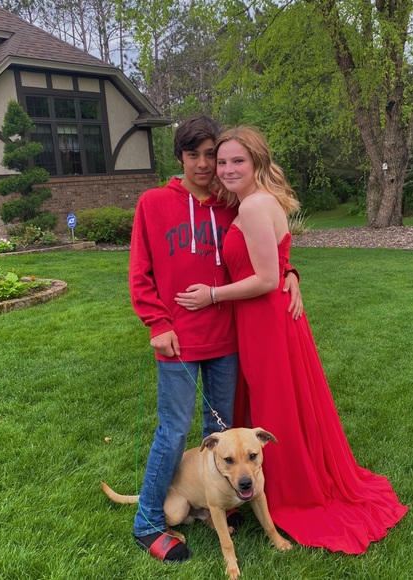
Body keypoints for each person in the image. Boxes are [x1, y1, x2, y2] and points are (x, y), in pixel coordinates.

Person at [175, 126, 408, 553]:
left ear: (258, 162)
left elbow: (266, 278)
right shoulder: (250, 202)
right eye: (222, 161)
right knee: (279, 402)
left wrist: (212, 295)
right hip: (261, 318)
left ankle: (290, 493)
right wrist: (291, 274)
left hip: (266, 320)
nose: (226, 169)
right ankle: (269, 486)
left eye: (237, 161)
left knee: (277, 406)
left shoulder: (256, 205)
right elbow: (278, 263)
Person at [128, 116, 302, 563]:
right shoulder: (152, 203)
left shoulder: (232, 204)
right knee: (172, 432)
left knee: (219, 433)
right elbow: (140, 272)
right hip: (177, 341)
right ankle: (148, 522)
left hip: (228, 339)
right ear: (180, 157)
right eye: (195, 155)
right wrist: (157, 323)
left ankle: (215, 505)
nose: (205, 164)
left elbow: (262, 252)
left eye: (212, 155)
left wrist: (290, 272)